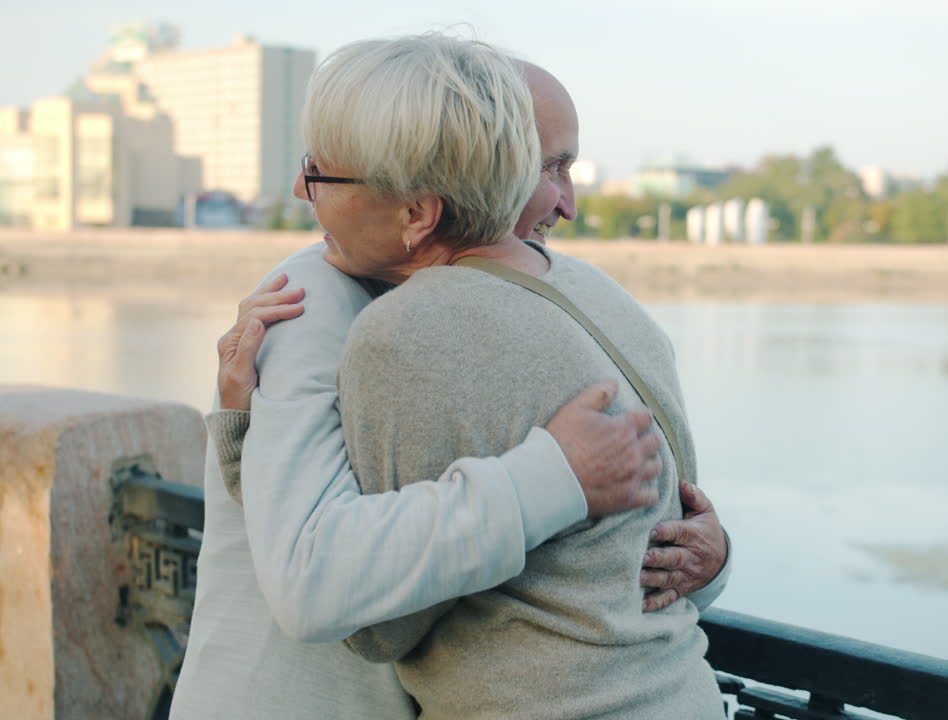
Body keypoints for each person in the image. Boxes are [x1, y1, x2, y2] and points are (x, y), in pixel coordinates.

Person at [171, 39, 730, 720]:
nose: (299, 191)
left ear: (417, 211)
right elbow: (658, 552)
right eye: (550, 166)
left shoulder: (407, 325)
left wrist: (241, 445)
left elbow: (374, 624)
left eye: (318, 172)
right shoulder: (601, 296)